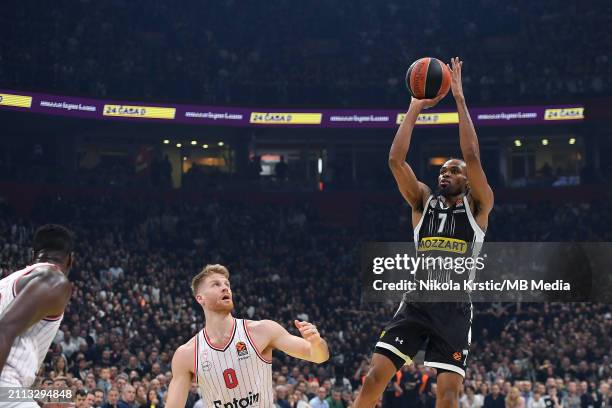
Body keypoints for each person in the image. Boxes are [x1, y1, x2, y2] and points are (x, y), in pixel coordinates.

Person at [354, 58, 494, 408]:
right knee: (374, 378)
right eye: (443, 171)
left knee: (447, 396)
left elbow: (472, 155)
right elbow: (395, 161)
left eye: (453, 172)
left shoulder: (478, 208)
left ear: (467, 181)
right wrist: (415, 106)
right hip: (416, 304)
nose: (445, 174)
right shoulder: (422, 202)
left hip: (454, 309)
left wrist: (459, 98)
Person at [165, 264, 329, 407]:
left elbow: (319, 357)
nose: (225, 288)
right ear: (200, 298)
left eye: (227, 284)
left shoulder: (262, 330)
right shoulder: (186, 354)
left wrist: (316, 342)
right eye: (216, 284)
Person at [0, 224, 75, 407]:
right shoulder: (55, 280)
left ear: (32, 255)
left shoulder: (6, 282)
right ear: (70, 260)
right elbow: (4, 329)